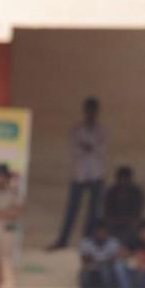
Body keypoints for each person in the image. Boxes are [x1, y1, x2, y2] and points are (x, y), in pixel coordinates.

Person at [48, 97, 107, 250]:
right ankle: (63, 240)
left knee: (93, 212)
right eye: (89, 110)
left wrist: (87, 147)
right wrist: (88, 147)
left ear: (97, 112)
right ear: (85, 111)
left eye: (93, 110)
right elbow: (74, 150)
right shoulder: (76, 129)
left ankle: (87, 241)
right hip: (79, 175)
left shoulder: (102, 130)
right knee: (72, 210)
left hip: (96, 175)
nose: (91, 113)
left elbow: (100, 150)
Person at [77, 219, 121, 288]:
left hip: (109, 275)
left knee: (105, 269)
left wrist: (98, 260)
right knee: (85, 271)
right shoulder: (86, 243)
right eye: (99, 232)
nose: (101, 234)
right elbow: (85, 259)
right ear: (94, 232)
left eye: (103, 232)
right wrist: (102, 260)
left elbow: (115, 259)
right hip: (93, 274)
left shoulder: (113, 242)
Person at [103, 166, 145, 244]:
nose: (123, 181)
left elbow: (137, 211)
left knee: (133, 229)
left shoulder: (136, 192)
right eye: (121, 178)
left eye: (125, 178)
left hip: (129, 221)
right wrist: (114, 220)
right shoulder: (111, 192)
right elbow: (107, 210)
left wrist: (128, 219)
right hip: (114, 221)